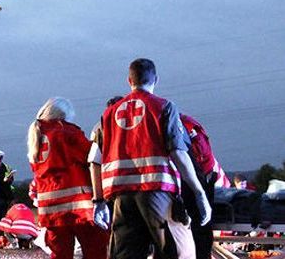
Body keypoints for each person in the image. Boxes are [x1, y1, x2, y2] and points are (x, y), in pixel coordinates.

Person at [91, 58, 212, 259]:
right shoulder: (163, 107)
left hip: (122, 197)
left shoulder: (108, 114)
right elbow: (178, 153)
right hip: (157, 191)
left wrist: (99, 202)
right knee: (179, 251)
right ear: (156, 79)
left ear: (129, 81)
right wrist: (199, 192)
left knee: (125, 254)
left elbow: (95, 161)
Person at [27, 97, 109, 259]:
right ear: (63, 116)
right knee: (96, 249)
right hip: (78, 209)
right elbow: (93, 157)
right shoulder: (66, 132)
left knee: (60, 255)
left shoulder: (36, 137)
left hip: (51, 212)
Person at [179, 113, 228, 259]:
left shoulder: (169, 123)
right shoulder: (187, 122)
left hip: (191, 184)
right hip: (202, 180)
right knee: (201, 236)